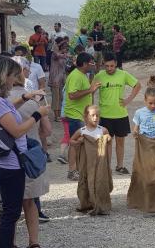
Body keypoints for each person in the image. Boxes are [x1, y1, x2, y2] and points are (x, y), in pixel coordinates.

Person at [0, 55, 50, 248]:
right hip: (10, 164)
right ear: (4, 77)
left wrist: (26, 97)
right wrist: (38, 114)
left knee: (10, 211)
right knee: (11, 213)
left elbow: (8, 109)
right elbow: (17, 130)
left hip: (7, 162)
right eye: (12, 76)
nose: (14, 80)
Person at [11, 55, 51, 248]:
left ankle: (9, 243)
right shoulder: (34, 101)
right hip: (30, 155)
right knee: (30, 202)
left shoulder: (1, 99)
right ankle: (34, 242)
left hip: (8, 156)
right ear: (25, 72)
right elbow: (47, 131)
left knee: (10, 205)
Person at [93, 52, 141, 174]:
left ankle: (119, 166)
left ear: (116, 65)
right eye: (107, 66)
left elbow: (137, 85)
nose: (109, 68)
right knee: (105, 142)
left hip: (120, 115)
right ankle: (106, 167)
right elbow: (91, 92)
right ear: (103, 64)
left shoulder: (123, 74)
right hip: (104, 115)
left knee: (120, 142)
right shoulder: (99, 76)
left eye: (112, 66)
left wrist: (128, 100)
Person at [71, 105, 113, 215]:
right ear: (86, 116)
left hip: (100, 161)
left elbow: (109, 142)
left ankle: (100, 204)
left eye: (97, 116)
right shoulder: (82, 131)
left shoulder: (102, 130)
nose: (95, 118)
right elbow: (71, 141)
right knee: (86, 181)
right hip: (87, 162)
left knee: (100, 181)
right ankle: (87, 203)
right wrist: (79, 142)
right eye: (92, 115)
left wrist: (108, 138)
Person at [64, 53, 100, 181]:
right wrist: (90, 90)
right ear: (84, 64)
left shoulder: (82, 75)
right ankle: (72, 170)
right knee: (75, 144)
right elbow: (72, 95)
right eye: (91, 62)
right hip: (76, 115)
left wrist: (92, 89)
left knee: (81, 143)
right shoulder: (76, 76)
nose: (93, 64)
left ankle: (78, 169)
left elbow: (84, 93)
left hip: (81, 115)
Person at [49, 38, 70, 122]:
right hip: (55, 78)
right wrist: (60, 44)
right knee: (56, 98)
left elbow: (66, 67)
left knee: (62, 97)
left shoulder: (65, 55)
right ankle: (56, 116)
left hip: (62, 78)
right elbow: (56, 54)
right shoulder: (55, 54)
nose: (66, 48)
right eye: (64, 46)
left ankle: (61, 114)